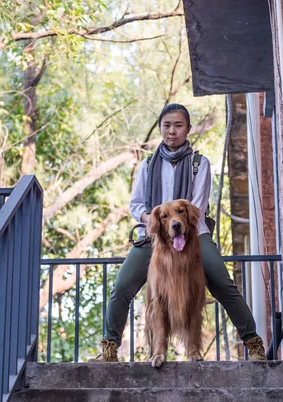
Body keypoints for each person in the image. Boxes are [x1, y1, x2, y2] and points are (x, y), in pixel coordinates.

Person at [93, 103, 266, 362]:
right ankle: (109, 349)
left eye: (178, 125)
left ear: (188, 129)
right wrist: (154, 221)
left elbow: (197, 205)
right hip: (155, 235)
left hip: (193, 234)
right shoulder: (147, 165)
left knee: (223, 283)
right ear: (161, 128)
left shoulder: (199, 164)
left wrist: (177, 221)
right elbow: (136, 204)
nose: (172, 131)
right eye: (167, 125)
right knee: (121, 287)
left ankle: (253, 344)